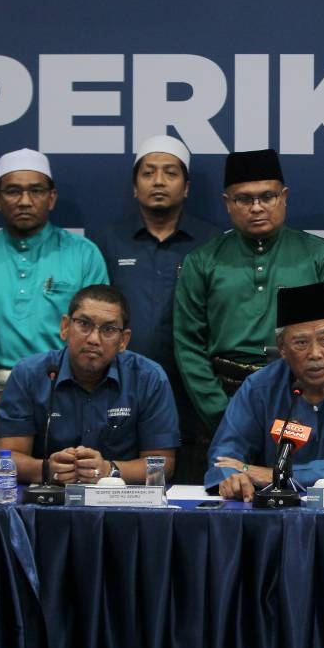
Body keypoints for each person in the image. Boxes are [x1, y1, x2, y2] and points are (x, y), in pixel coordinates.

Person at [174, 148, 324, 437]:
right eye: (244, 199)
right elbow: (189, 346)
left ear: (283, 196)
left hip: (301, 397)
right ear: (227, 203)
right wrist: (222, 416)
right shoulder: (203, 261)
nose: (256, 207)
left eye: (267, 197)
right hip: (224, 398)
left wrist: (312, 407)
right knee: (230, 482)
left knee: (297, 480)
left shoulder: (320, 256)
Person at [90, 135, 220, 484]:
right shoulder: (107, 241)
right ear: (135, 187)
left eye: (170, 173)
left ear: (187, 186)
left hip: (191, 391)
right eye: (149, 173)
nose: (159, 181)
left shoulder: (212, 243)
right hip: (122, 392)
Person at [205, 282, 324, 502]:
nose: (315, 354)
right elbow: (224, 458)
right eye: (301, 343)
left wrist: (276, 475)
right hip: (278, 513)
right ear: (283, 348)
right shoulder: (259, 388)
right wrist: (234, 479)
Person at [0, 285, 179, 484]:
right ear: (65, 327)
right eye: (84, 324)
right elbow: (8, 458)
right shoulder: (29, 374)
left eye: (109, 329)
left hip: (121, 503)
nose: (93, 339)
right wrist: (46, 468)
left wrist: (110, 470)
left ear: (123, 341)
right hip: (49, 500)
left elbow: (162, 464)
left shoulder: (148, 378)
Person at [0, 148, 108, 401]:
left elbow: (98, 333)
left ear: (52, 197)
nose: (25, 201)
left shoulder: (83, 254)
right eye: (13, 191)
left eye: (36, 191)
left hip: (63, 387)